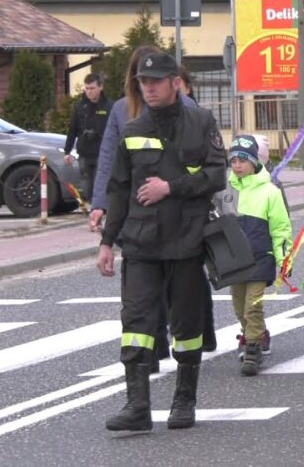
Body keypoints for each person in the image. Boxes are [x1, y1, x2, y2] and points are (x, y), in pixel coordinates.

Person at [96, 52, 227, 432]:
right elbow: (119, 189)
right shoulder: (132, 129)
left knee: (186, 325)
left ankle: (184, 401)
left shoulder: (200, 122)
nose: (149, 87)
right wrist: (107, 241)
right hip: (140, 243)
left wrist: (172, 187)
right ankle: (137, 405)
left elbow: (217, 175)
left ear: (175, 82)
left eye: (156, 81)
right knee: (136, 321)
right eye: (143, 82)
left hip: (186, 241)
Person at [213, 135, 291, 375]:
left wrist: (283, 258)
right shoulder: (224, 191)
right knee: (238, 307)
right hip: (235, 261)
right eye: (233, 160)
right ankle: (252, 334)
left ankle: (253, 350)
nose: (237, 165)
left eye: (243, 160)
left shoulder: (270, 191)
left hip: (260, 256)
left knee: (252, 306)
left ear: (254, 162)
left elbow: (281, 228)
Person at [64, 73, 112, 202]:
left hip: (102, 152)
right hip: (84, 152)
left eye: (92, 88)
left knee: (100, 181)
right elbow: (72, 130)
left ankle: (100, 206)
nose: (89, 92)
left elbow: (114, 131)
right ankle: (92, 205)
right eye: (87, 88)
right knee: (86, 184)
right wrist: (67, 151)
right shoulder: (80, 106)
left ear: (100, 87)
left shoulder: (109, 106)